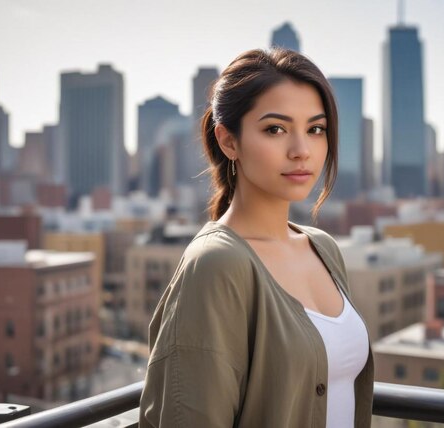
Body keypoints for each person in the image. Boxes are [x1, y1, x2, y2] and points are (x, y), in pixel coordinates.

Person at [139, 48, 374, 428]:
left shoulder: (324, 248)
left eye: (315, 129)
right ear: (229, 141)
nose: (301, 151)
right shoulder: (216, 264)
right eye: (275, 129)